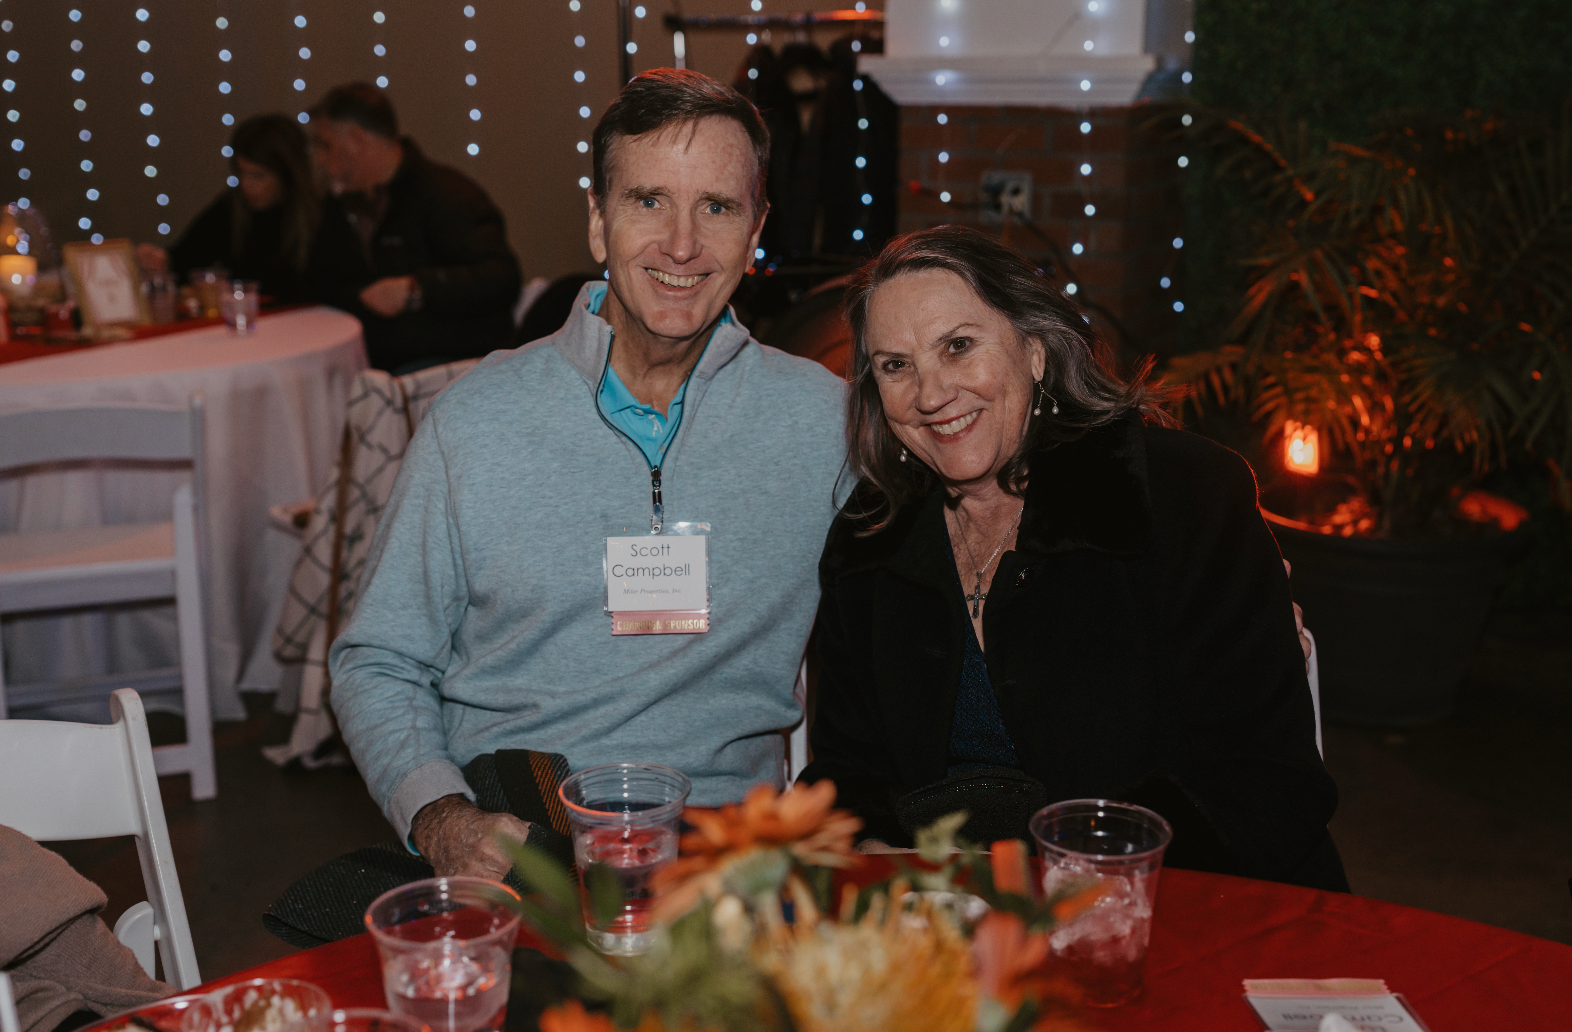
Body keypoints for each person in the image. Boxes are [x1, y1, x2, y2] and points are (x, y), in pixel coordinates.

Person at [329, 69, 846, 882]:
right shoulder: (475, 422)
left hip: (724, 860)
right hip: (517, 840)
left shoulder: (826, 423)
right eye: (649, 201)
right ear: (599, 223)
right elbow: (378, 660)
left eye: (717, 207)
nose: (682, 243)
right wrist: (441, 816)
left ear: (756, 233)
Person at [798, 226, 1347, 891]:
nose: (931, 393)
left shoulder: (1183, 497)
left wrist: (1064, 888)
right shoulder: (868, 538)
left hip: (1181, 898)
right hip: (947, 914)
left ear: (1034, 351)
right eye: (895, 365)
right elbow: (848, 779)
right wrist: (883, 862)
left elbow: (1267, 782)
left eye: (959, 346)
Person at [307, 83, 522, 373]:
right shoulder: (339, 205)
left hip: (448, 366)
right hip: (371, 361)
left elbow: (500, 278)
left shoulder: (445, 195)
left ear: (357, 140)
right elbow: (323, 283)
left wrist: (415, 289)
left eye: (325, 145)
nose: (319, 158)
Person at [136, 114, 319, 302]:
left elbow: (315, 290)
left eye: (258, 176)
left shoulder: (319, 216)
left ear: (288, 175)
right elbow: (187, 257)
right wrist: (161, 261)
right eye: (241, 173)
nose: (246, 185)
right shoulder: (230, 208)